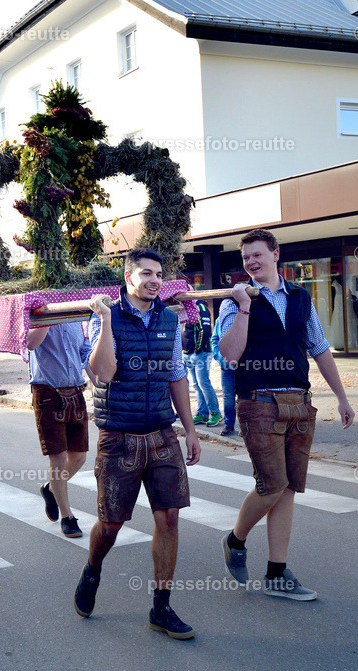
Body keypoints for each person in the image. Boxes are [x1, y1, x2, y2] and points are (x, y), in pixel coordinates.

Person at [218, 229, 355, 601]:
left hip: (298, 401)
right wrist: (243, 306)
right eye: (246, 257)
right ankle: (235, 540)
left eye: (257, 255)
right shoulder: (234, 301)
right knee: (272, 484)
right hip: (258, 401)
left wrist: (342, 397)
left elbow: (319, 347)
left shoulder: (299, 297)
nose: (251, 262)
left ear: (275, 254)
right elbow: (229, 355)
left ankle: (277, 574)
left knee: (289, 487)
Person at [73, 247, 201, 640]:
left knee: (170, 518)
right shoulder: (104, 315)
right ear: (128, 277)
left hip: (162, 433)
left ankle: (161, 608)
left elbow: (176, 373)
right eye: (146, 273)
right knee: (111, 524)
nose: (154, 280)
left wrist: (190, 429)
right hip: (119, 437)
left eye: (159, 274)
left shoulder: (168, 318)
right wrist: (106, 321)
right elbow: (104, 372)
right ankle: (93, 569)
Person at [27, 321, 92, 538]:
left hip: (76, 392)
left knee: (79, 457)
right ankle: (67, 517)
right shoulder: (37, 316)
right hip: (48, 394)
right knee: (58, 458)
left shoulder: (76, 317)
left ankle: (50, 489)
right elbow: (30, 344)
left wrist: (102, 385)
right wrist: (49, 317)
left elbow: (85, 353)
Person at [183, 298, 222, 428]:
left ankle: (215, 413)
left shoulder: (200, 307)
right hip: (188, 353)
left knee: (203, 383)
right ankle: (202, 413)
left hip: (200, 353)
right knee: (196, 385)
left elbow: (205, 330)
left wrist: (197, 350)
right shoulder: (184, 307)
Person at [211, 303, 237, 436]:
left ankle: (246, 426)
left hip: (245, 366)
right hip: (226, 366)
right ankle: (229, 425)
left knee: (245, 397)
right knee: (228, 396)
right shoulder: (219, 319)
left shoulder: (244, 316)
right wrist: (219, 357)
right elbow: (214, 339)